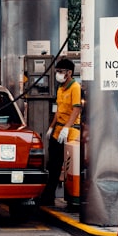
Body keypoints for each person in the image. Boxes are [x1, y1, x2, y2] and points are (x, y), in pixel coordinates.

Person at [41, 57, 81, 206]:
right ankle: (48, 197)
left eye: (61, 71)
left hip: (70, 131)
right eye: (57, 71)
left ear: (69, 72)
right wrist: (51, 127)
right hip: (58, 129)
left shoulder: (75, 87)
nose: (58, 74)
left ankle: (71, 198)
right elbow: (58, 110)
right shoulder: (60, 88)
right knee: (53, 164)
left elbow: (76, 109)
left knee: (69, 166)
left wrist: (66, 128)